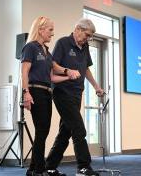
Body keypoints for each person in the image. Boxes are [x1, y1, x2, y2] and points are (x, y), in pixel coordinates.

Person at [21, 16, 79, 176]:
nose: (52, 34)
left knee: (43, 131)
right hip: (35, 91)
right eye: (50, 30)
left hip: (47, 92)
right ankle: (39, 170)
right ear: (40, 29)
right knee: (42, 130)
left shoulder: (46, 51)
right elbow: (24, 72)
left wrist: (68, 74)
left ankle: (33, 169)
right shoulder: (30, 47)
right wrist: (26, 93)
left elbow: (54, 73)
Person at [45, 18, 104, 176]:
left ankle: (49, 166)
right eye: (87, 34)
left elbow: (86, 70)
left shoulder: (84, 47)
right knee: (78, 129)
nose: (88, 38)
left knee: (65, 131)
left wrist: (96, 86)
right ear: (78, 29)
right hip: (62, 92)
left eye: (90, 36)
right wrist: (67, 71)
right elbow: (53, 66)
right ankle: (83, 167)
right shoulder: (63, 43)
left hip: (77, 93)